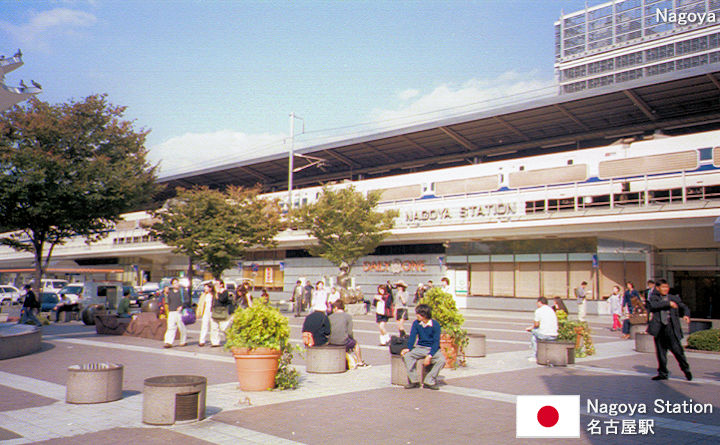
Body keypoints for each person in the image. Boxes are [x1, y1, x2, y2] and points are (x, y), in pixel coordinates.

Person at [647, 279, 692, 381]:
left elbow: (684, 307)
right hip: (659, 329)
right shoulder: (654, 298)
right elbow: (653, 306)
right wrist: (669, 304)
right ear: (658, 288)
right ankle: (663, 373)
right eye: (663, 287)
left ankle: (686, 370)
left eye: (667, 287)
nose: (665, 289)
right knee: (661, 353)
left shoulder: (673, 298)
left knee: (678, 351)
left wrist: (686, 315)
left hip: (671, 329)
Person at [400, 303, 445, 390]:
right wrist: (408, 348)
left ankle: (429, 380)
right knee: (407, 356)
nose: (416, 315)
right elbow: (413, 337)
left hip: (432, 349)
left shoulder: (435, 325)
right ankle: (414, 381)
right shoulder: (416, 323)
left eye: (418, 313)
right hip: (420, 347)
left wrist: (430, 356)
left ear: (424, 315)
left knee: (441, 360)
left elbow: (436, 342)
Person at [328, 300, 369, 367]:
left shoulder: (330, 317)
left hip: (331, 341)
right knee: (355, 344)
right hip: (343, 341)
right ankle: (360, 362)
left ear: (336, 308)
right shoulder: (348, 316)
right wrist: (351, 339)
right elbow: (349, 332)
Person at [525, 296, 558, 361]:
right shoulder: (551, 310)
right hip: (554, 334)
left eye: (537, 303)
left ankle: (534, 355)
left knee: (534, 334)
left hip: (544, 334)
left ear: (540, 302)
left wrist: (530, 328)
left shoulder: (539, 311)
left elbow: (536, 325)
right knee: (537, 332)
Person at [163, 278, 188, 348]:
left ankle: (183, 341)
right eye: (174, 283)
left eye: (177, 282)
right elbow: (168, 302)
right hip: (172, 311)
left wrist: (182, 306)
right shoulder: (170, 293)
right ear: (172, 285)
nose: (176, 284)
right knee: (170, 327)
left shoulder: (182, 292)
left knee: (181, 327)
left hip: (180, 312)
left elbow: (187, 301)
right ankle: (168, 342)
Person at [196, 282, 215, 347]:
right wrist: (198, 312)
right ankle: (202, 341)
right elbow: (200, 304)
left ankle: (214, 341)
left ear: (210, 288)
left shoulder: (213, 295)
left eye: (206, 287)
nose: (205, 289)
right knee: (204, 326)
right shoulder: (204, 295)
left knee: (213, 326)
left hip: (212, 312)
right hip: (205, 312)